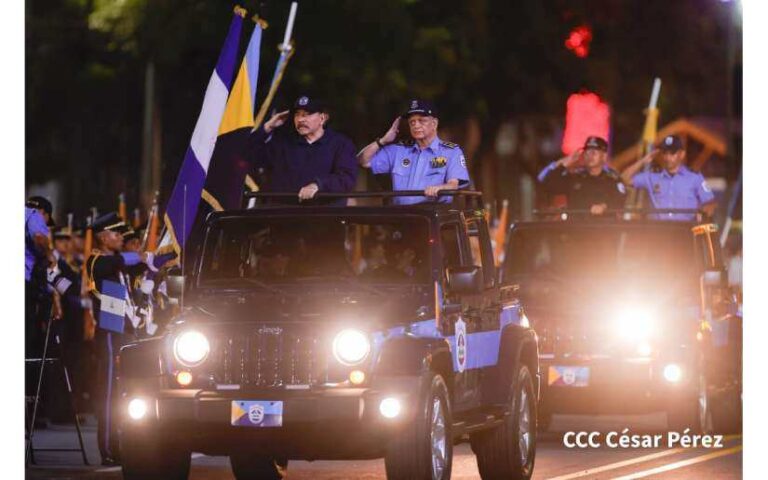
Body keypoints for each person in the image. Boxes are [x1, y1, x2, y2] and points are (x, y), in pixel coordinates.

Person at [85, 212, 158, 465]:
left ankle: (124, 444)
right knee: (109, 394)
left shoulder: (117, 263)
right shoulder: (97, 262)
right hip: (109, 332)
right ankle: (107, 448)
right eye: (116, 234)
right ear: (103, 237)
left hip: (124, 331)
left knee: (126, 394)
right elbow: (117, 263)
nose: (121, 238)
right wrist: (140, 257)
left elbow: (146, 265)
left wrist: (155, 258)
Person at [358, 99, 471, 205]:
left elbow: (453, 185)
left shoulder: (451, 152)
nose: (416, 125)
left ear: (434, 123)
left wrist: (440, 188)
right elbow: (363, 161)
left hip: (432, 216)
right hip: (401, 216)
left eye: (422, 121)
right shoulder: (398, 150)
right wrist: (382, 140)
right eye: (412, 122)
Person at [249, 95, 358, 204]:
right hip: (284, 214)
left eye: (307, 114)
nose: (300, 119)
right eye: (297, 114)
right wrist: (267, 128)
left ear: (322, 118)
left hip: (324, 215)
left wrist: (318, 185)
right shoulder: (283, 143)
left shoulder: (341, 144)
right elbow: (248, 156)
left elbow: (347, 178)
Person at [620, 134, 716, 221]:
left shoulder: (695, 178)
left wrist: (704, 211)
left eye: (672, 153)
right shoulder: (652, 176)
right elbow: (624, 179)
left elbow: (710, 203)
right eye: (665, 153)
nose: (668, 157)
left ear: (681, 154)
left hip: (684, 232)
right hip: (657, 232)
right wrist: (643, 161)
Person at [537, 136, 626, 215]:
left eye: (594, 153)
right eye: (587, 153)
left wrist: (604, 206)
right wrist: (564, 163)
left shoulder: (612, 179)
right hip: (577, 230)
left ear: (604, 156)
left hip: (603, 230)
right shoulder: (574, 178)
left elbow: (620, 200)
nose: (589, 156)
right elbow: (546, 183)